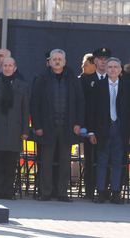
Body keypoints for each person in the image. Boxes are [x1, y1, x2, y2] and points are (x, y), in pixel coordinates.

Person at [30, 49, 85, 202]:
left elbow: (80, 102)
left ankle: (62, 192)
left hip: (68, 128)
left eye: (60, 59)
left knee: (65, 161)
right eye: (54, 59)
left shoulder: (73, 80)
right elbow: (34, 105)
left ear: (65, 61)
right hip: (47, 128)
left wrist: (78, 123)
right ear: (50, 61)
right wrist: (38, 126)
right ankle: (46, 192)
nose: (57, 61)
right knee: (46, 162)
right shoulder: (42, 79)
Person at [0, 57, 29, 200]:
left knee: (11, 164)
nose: (8, 68)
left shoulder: (22, 86)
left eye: (11, 66)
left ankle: (9, 192)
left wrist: (25, 131)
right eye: (5, 66)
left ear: (15, 68)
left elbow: (25, 110)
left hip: (15, 130)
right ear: (1, 67)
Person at [87, 57, 129, 204]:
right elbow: (91, 110)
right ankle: (101, 193)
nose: (112, 69)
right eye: (110, 67)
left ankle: (116, 193)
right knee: (102, 161)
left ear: (120, 70)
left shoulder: (126, 86)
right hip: (102, 129)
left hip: (120, 128)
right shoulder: (98, 86)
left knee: (118, 161)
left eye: (115, 67)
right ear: (106, 69)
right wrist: (91, 131)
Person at [80, 47, 111, 200]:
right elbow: (82, 105)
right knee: (90, 160)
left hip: (109, 128)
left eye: (106, 60)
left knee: (107, 160)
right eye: (100, 60)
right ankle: (90, 191)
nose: (103, 63)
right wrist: (85, 127)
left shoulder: (114, 80)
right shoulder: (85, 80)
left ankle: (105, 190)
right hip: (91, 127)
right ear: (95, 61)